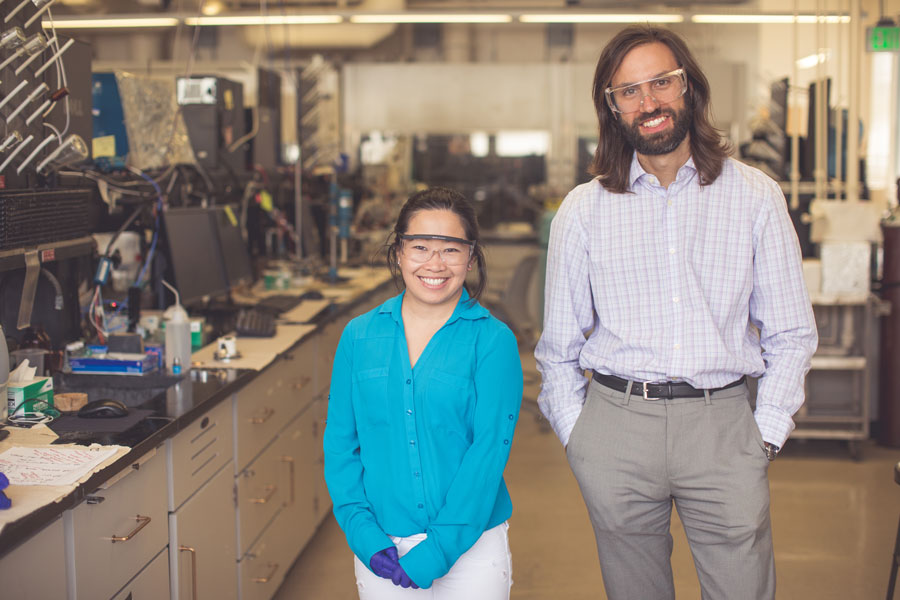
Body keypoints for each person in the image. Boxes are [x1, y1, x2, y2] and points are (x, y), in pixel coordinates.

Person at [534, 25, 818, 600]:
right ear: (612, 108)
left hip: (723, 427)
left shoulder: (755, 196)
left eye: (661, 82)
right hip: (616, 424)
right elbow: (557, 347)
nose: (649, 102)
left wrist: (764, 434)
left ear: (689, 88)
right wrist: (579, 436)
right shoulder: (582, 212)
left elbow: (790, 332)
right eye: (629, 91)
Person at [324, 187, 523, 598]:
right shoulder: (358, 336)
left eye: (451, 249)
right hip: (382, 543)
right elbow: (341, 446)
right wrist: (363, 534)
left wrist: (439, 550)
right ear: (399, 252)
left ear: (471, 257)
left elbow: (487, 454)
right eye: (420, 247)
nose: (435, 263)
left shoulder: (492, 341)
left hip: (472, 548)